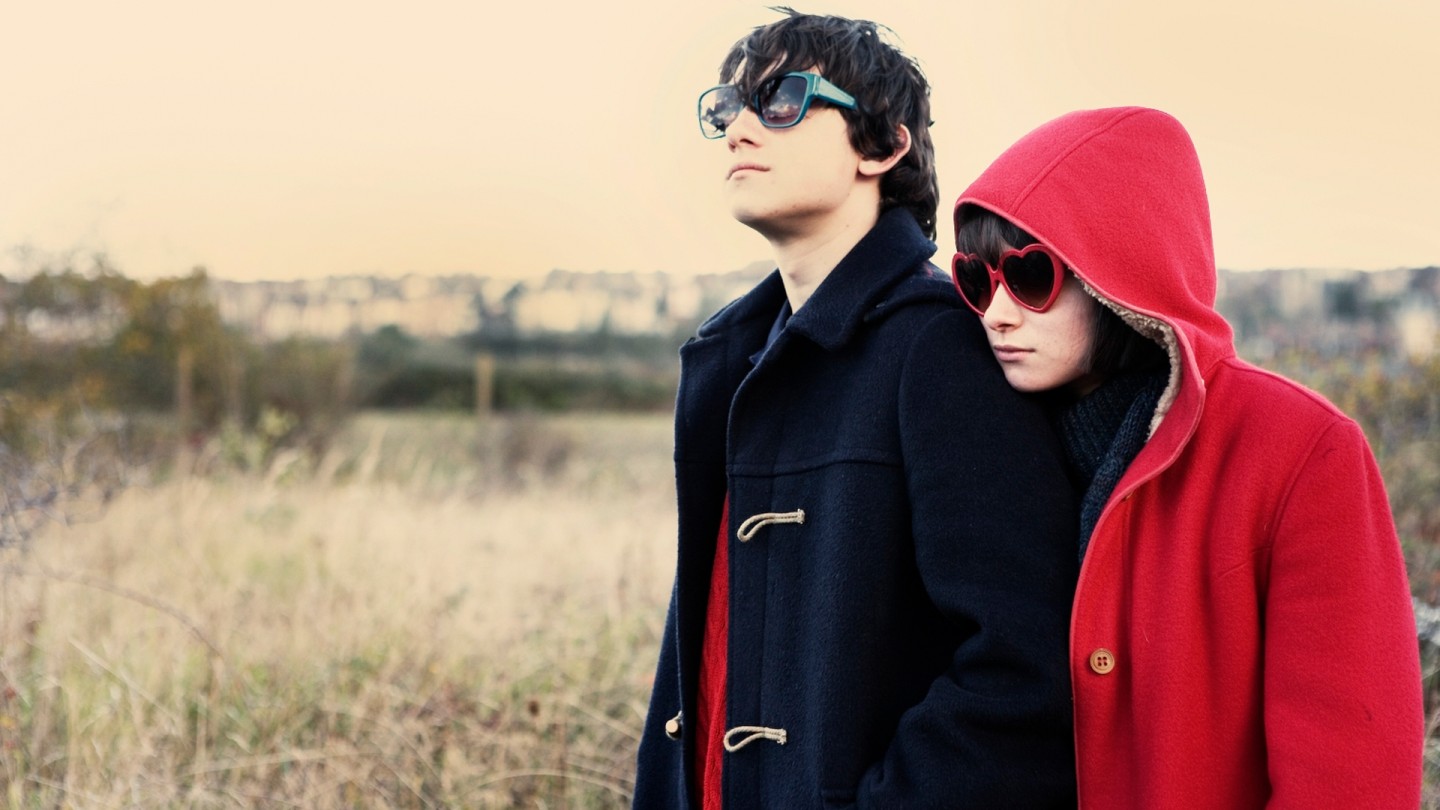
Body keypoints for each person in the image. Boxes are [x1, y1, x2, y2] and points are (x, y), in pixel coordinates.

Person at [632, 9, 1080, 809]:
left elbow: (1021, 669)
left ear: (882, 146)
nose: (739, 129)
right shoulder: (731, 358)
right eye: (727, 108)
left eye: (782, 99)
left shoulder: (939, 349)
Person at [949, 105, 1424, 808]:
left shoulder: (1300, 450)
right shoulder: (975, 446)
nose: (997, 312)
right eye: (976, 279)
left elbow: (1350, 777)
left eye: (1030, 276)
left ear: (1118, 271)